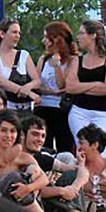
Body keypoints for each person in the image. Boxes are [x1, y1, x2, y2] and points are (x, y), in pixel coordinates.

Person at [18, 114, 91, 212]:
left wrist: (73, 188)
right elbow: (30, 192)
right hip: (26, 206)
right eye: (35, 134)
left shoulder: (40, 157)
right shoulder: (16, 158)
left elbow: (79, 171)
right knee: (47, 188)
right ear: (22, 135)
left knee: (72, 175)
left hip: (47, 205)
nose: (40, 140)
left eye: (43, 136)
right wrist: (61, 191)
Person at [0, 111, 52, 212]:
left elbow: (44, 179)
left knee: (33, 170)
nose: (8, 136)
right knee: (13, 178)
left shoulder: (24, 157)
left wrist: (27, 188)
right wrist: (3, 164)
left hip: (23, 204)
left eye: (12, 131)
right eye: (3, 130)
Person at [66, 20, 106, 152]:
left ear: (93, 35)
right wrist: (95, 84)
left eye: (82, 33)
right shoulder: (78, 60)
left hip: (103, 113)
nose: (78, 37)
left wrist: (81, 87)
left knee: (104, 151)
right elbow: (70, 87)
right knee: (83, 149)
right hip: (79, 111)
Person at [34, 21, 78, 153]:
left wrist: (57, 65)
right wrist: (51, 92)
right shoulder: (43, 59)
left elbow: (63, 85)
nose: (43, 41)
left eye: (46, 37)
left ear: (56, 39)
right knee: (43, 147)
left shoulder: (73, 60)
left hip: (61, 109)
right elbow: (36, 84)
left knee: (64, 146)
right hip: (43, 107)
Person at [0, 19, 41, 119]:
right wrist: (26, 92)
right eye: (14, 32)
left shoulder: (24, 55)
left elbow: (37, 80)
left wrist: (28, 86)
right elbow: (0, 81)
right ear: (2, 34)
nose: (17, 36)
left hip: (25, 110)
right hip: (4, 110)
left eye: (19, 33)